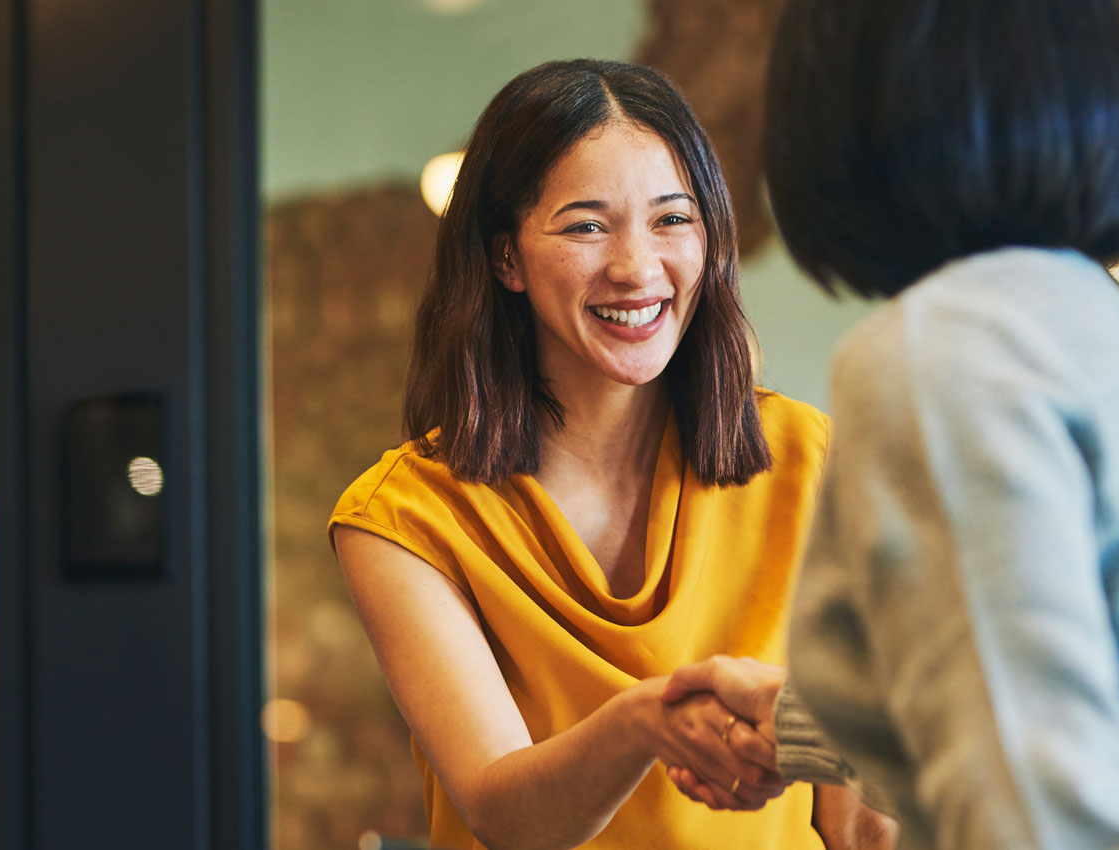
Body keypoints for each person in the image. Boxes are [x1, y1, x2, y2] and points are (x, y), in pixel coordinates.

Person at [658, 1, 1119, 848]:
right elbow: (1107, 706)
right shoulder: (1108, 328)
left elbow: (1031, 797)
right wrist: (796, 732)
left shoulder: (943, 349)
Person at [328, 59, 887, 850]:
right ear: (505, 260)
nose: (636, 267)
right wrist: (648, 723)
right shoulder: (401, 518)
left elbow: (864, 824)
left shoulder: (809, 458)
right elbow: (506, 816)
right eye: (587, 225)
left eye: (671, 219)